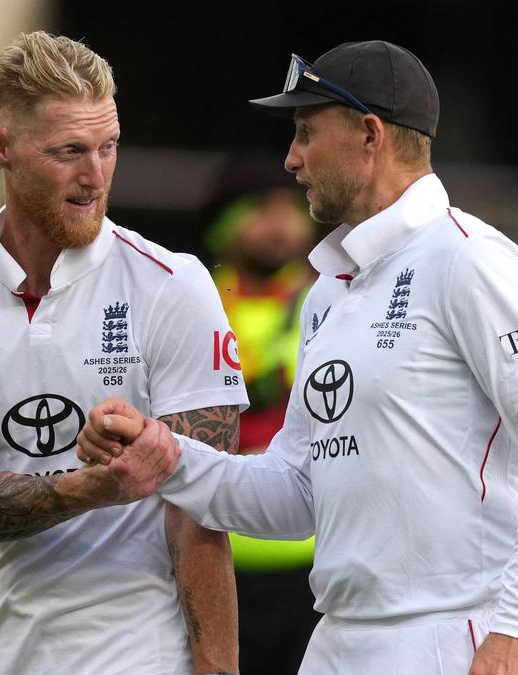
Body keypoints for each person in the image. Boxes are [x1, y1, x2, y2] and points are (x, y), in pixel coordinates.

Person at [79, 40, 518, 675]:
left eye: (306, 132)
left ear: (369, 135)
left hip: (453, 637)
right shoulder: (327, 291)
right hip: (337, 640)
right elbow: (297, 490)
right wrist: (165, 456)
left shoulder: (471, 259)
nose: (291, 159)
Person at [0, 31, 246, 675]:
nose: (96, 176)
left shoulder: (174, 285)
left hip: (144, 656)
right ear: (1, 147)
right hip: (8, 655)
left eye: (109, 147)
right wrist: (95, 487)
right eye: (69, 151)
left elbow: (201, 515)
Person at [204, 161, 322, 673]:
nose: (280, 225)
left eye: (290, 210)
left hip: (316, 558)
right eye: (261, 211)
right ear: (224, 224)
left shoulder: (333, 299)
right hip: (214, 555)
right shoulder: (194, 302)